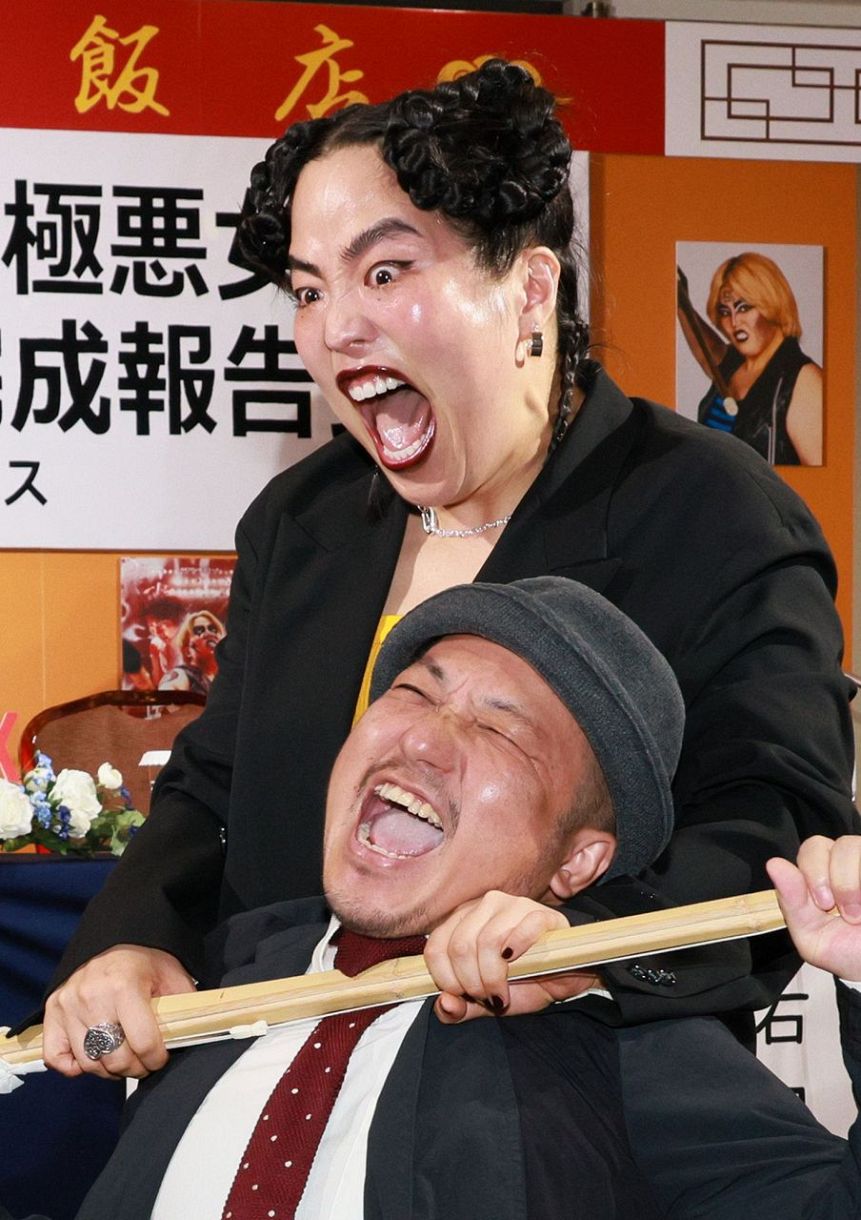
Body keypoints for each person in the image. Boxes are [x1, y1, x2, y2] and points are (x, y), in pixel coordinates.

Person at [39, 60, 856, 1083]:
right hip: (271, 1078)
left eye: (385, 273)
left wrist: (580, 942)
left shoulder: (708, 509)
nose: (337, 326)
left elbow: (776, 814)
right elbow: (214, 788)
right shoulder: (301, 519)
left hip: (561, 1087)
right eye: (309, 289)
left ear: (530, 289)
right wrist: (132, 938)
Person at [53, 578, 861, 1220]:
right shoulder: (214, 979)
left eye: (499, 729)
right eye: (412, 693)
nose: (421, 738)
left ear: (578, 862)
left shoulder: (616, 1037)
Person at [677, 251, 823, 465]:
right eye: (725, 312)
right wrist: (681, 303)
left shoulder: (804, 380)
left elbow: (822, 478)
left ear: (772, 303)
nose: (734, 322)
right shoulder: (733, 365)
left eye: (744, 307)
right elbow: (707, 350)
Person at [158, 611, 225, 697]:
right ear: (188, 652)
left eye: (213, 629)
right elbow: (165, 696)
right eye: (199, 631)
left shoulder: (228, 677)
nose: (209, 633)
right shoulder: (184, 674)